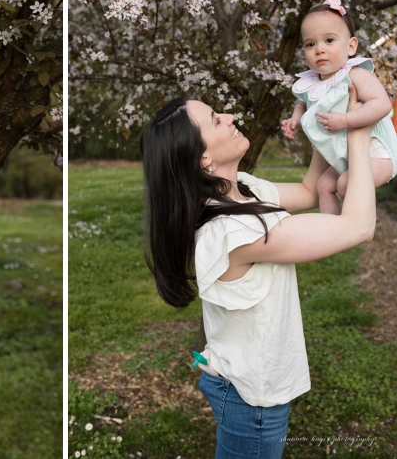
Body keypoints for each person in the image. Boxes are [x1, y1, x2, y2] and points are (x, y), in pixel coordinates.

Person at [142, 89, 377, 458]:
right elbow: (358, 227)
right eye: (216, 120)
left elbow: (306, 190)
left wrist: (323, 116)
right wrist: (358, 132)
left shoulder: (243, 189)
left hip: (240, 387)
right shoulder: (231, 231)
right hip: (251, 401)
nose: (231, 116)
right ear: (203, 159)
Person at [278, 0, 397, 214]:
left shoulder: (355, 74)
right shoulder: (311, 83)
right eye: (310, 43)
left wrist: (347, 120)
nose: (319, 49)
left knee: (345, 183)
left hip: (378, 153)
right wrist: (295, 120)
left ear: (351, 46)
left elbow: (383, 104)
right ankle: (331, 230)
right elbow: (305, 103)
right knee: (324, 185)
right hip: (348, 156)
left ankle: (353, 225)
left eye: (329, 40)